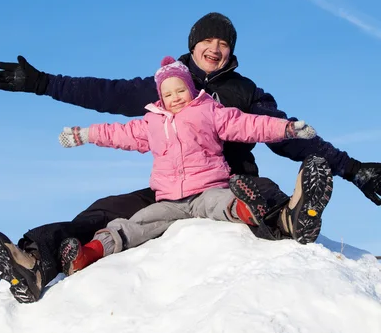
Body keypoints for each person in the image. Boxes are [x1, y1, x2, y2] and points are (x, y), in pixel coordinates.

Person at [0, 13, 380, 304]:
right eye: (208, 40)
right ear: (192, 46)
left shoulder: (244, 92)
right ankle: (36, 263)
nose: (216, 48)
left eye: (224, 44)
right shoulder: (161, 92)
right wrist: (42, 83)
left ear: (231, 53)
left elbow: (279, 131)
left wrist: (352, 169)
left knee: (258, 192)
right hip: (170, 189)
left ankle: (292, 216)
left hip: (229, 182)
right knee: (103, 212)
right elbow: (102, 93)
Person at [53, 56, 320, 275]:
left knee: (222, 203)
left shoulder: (209, 111)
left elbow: (248, 124)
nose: (176, 97)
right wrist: (84, 134)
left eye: (181, 90)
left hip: (206, 189)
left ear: (191, 90)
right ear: (161, 97)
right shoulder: (151, 123)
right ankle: (88, 253)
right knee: (135, 223)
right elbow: (118, 133)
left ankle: (250, 208)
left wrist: (285, 128)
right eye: (168, 94)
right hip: (169, 199)